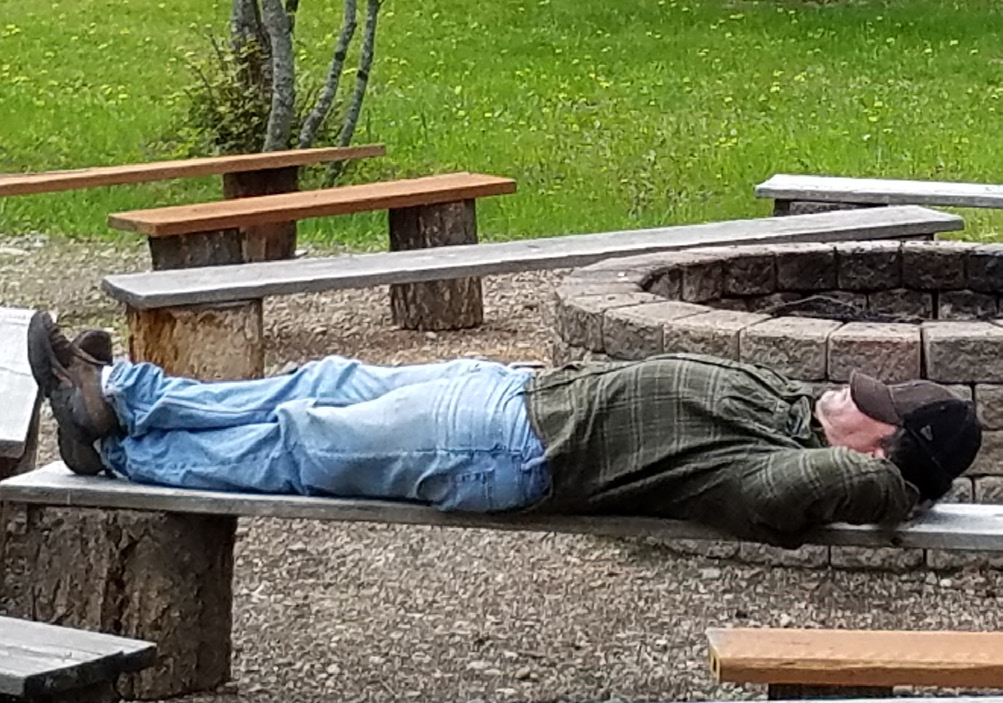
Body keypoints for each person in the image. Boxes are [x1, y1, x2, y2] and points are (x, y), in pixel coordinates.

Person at [27, 310, 983, 548]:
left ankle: (112, 441)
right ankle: (128, 392)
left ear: (877, 455)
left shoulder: (772, 472)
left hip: (505, 448)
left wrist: (896, 491)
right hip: (504, 389)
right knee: (313, 382)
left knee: (300, 441)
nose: (851, 395)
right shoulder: (791, 411)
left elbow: (780, 501)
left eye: (876, 410)